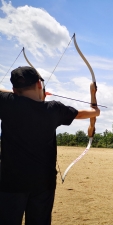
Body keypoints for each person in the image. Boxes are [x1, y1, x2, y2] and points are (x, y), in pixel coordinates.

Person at [0, 66, 100, 225]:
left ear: (13, 88)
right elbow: (95, 112)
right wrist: (93, 94)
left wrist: (18, 94)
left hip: (10, 183)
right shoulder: (54, 109)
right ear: (39, 85)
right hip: (43, 184)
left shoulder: (6, 103)